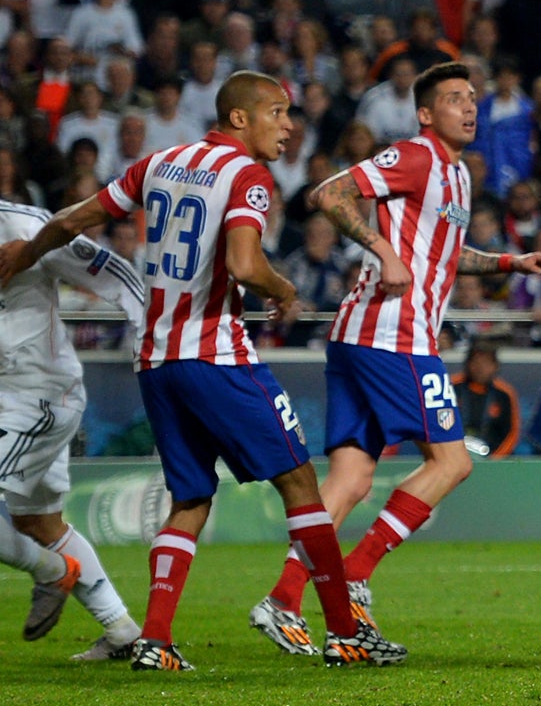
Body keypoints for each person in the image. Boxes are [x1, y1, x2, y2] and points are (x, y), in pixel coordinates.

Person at [0, 72, 396, 670]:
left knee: (190, 496)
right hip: (216, 355)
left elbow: (68, 222)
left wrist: (22, 255)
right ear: (240, 118)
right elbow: (242, 262)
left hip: (156, 362)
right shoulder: (247, 176)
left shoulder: (158, 162)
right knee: (301, 486)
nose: (289, 126)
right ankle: (345, 632)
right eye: (278, 112)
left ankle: (155, 642)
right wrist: (282, 286)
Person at [251, 63, 541, 655]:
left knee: (353, 477)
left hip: (361, 337)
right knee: (452, 462)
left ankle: (285, 598)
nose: (468, 107)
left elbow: (442, 253)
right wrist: (382, 249)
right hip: (395, 336)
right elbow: (331, 193)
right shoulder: (416, 155)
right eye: (452, 99)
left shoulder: (459, 175)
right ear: (424, 114)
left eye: (472, 98)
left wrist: (505, 264)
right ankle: (357, 573)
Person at [0, 197, 147, 658]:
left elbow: (115, 274)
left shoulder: (27, 224)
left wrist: (157, 337)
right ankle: (121, 629)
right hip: (15, 399)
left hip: (36, 394)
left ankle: (50, 571)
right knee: (38, 521)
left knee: (39, 534)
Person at [456, 341, 521, 459]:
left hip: (494, 459)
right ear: (467, 364)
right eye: (476, 362)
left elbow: (512, 433)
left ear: (495, 366)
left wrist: (494, 460)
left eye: (486, 363)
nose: (480, 368)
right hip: (454, 457)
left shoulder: (505, 394)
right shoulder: (451, 387)